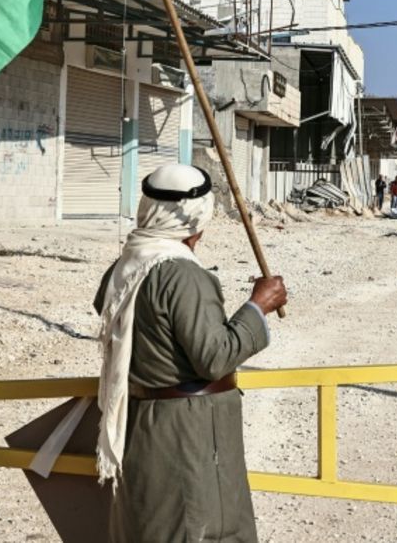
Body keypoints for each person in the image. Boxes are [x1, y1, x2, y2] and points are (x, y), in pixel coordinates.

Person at [94, 164, 288, 543]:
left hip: (143, 422)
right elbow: (213, 358)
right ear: (200, 216)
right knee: (201, 526)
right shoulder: (182, 275)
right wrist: (257, 307)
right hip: (186, 432)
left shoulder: (127, 264)